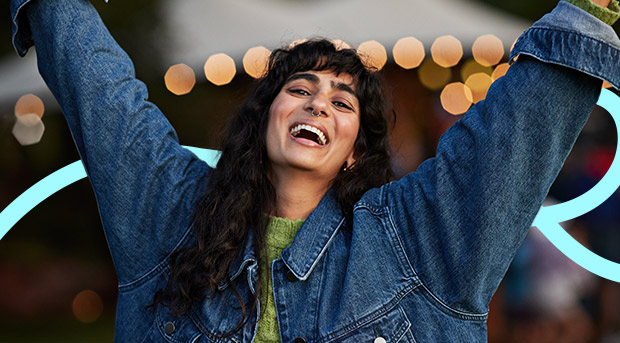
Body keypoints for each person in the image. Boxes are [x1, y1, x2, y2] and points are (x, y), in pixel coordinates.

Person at [9, 0, 620, 342]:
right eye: (299, 88)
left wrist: (591, 12)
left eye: (342, 102)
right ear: (265, 119)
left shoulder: (415, 242)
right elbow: (102, 93)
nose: (318, 102)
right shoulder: (170, 215)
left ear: (355, 149)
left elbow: (514, 127)